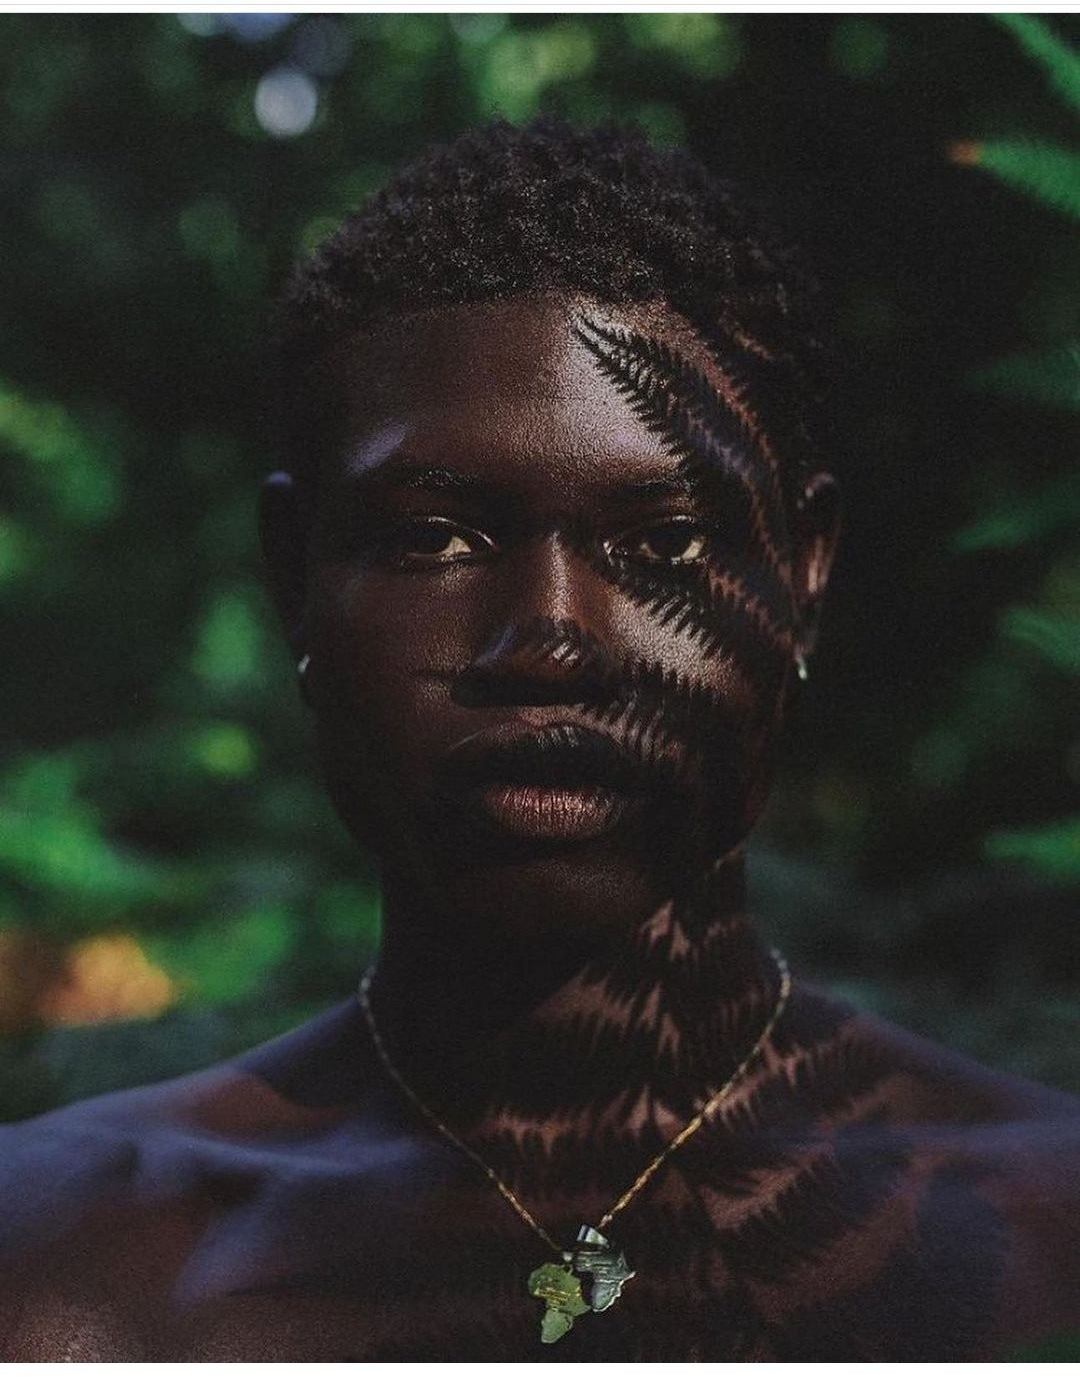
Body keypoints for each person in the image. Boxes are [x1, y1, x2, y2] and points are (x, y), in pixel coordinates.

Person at [0, 116, 1076, 1364]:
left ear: (801, 577)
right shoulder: (55, 1263)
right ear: (296, 580)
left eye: (664, 543)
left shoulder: (1048, 1239)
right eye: (434, 536)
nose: (550, 644)